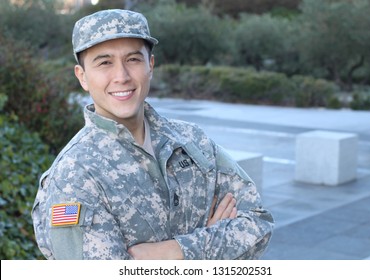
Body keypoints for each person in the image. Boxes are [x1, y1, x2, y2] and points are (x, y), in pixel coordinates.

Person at [31, 9, 274, 260]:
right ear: (82, 76)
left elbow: (258, 224)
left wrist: (174, 252)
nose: (122, 76)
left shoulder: (193, 142)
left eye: (133, 59)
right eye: (104, 62)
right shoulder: (75, 174)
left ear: (151, 66)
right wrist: (213, 243)